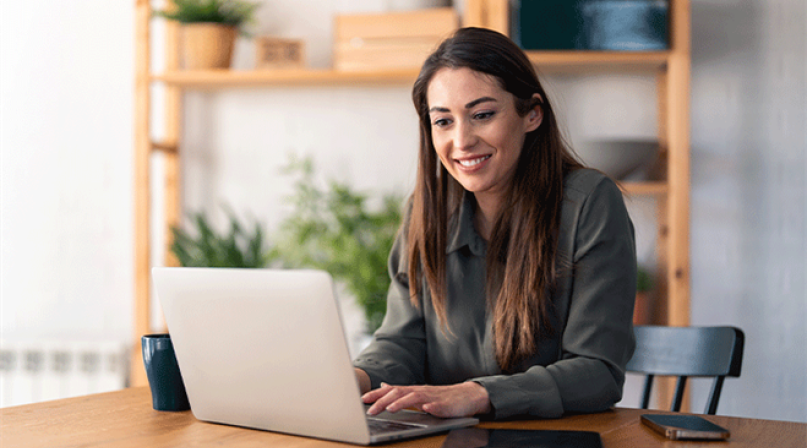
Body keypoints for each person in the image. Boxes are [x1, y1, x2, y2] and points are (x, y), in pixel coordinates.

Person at [353, 27, 637, 420]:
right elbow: (402, 343)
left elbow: (598, 371)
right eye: (443, 122)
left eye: (482, 115)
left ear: (532, 114)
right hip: (448, 438)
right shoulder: (425, 211)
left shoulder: (589, 203)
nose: (462, 140)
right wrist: (356, 379)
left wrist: (478, 394)